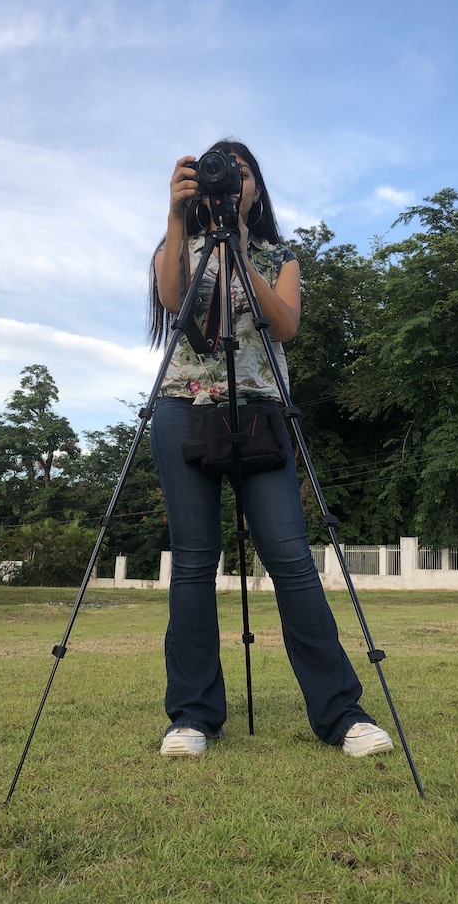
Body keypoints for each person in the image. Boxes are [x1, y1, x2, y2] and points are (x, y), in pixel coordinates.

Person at [147, 138, 394, 759]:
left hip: (261, 407)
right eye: (218, 170)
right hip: (182, 406)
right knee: (195, 564)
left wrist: (236, 251)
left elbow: (283, 323)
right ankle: (193, 716)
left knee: (289, 559)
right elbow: (176, 304)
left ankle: (342, 713)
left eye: (243, 171)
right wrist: (177, 220)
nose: (232, 178)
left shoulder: (280, 254)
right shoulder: (176, 244)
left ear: (255, 187)